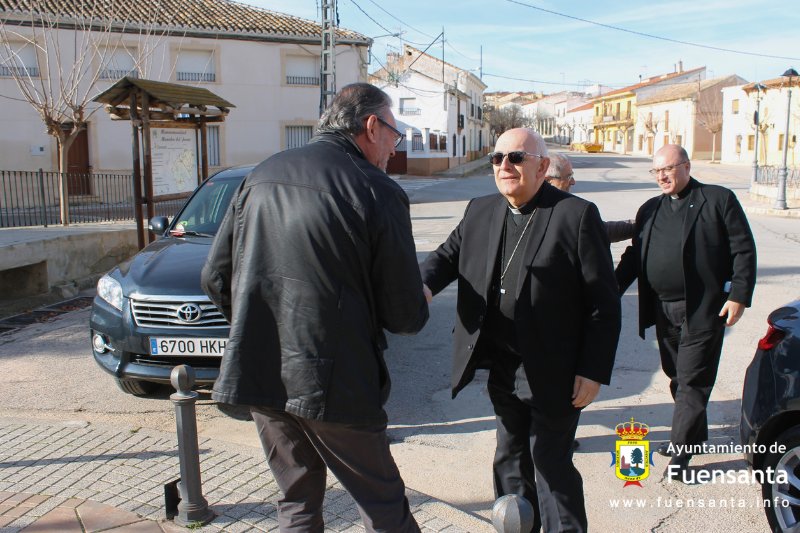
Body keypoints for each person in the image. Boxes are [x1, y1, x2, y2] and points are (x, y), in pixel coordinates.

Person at [201, 83, 429, 532]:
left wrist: (263, 330)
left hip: (261, 372)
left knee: (296, 500)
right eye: (394, 135)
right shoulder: (377, 188)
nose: (393, 148)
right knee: (383, 504)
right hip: (336, 382)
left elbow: (214, 277)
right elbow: (405, 316)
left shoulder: (261, 175)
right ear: (370, 126)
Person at [420, 128, 621, 532]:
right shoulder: (479, 210)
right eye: (497, 158)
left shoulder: (575, 215)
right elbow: (444, 257)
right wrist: (419, 288)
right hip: (502, 364)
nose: (504, 166)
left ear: (543, 167)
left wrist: (593, 369)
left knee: (550, 464)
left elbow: (603, 301)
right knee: (509, 461)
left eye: (516, 158)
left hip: (556, 369)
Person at [615, 144, 756, 482]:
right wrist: (607, 290)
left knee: (693, 379)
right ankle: (693, 436)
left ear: (686, 166)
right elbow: (634, 256)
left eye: (668, 168)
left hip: (703, 308)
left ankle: (681, 452)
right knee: (678, 376)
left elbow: (743, 249)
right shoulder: (650, 209)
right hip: (663, 310)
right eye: (656, 171)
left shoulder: (718, 200)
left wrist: (738, 295)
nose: (662, 176)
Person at [545, 153, 635, 243]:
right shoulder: (568, 210)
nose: (573, 182)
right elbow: (600, 231)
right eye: (568, 177)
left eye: (572, 176)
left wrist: (638, 223)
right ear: (548, 181)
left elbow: (598, 229)